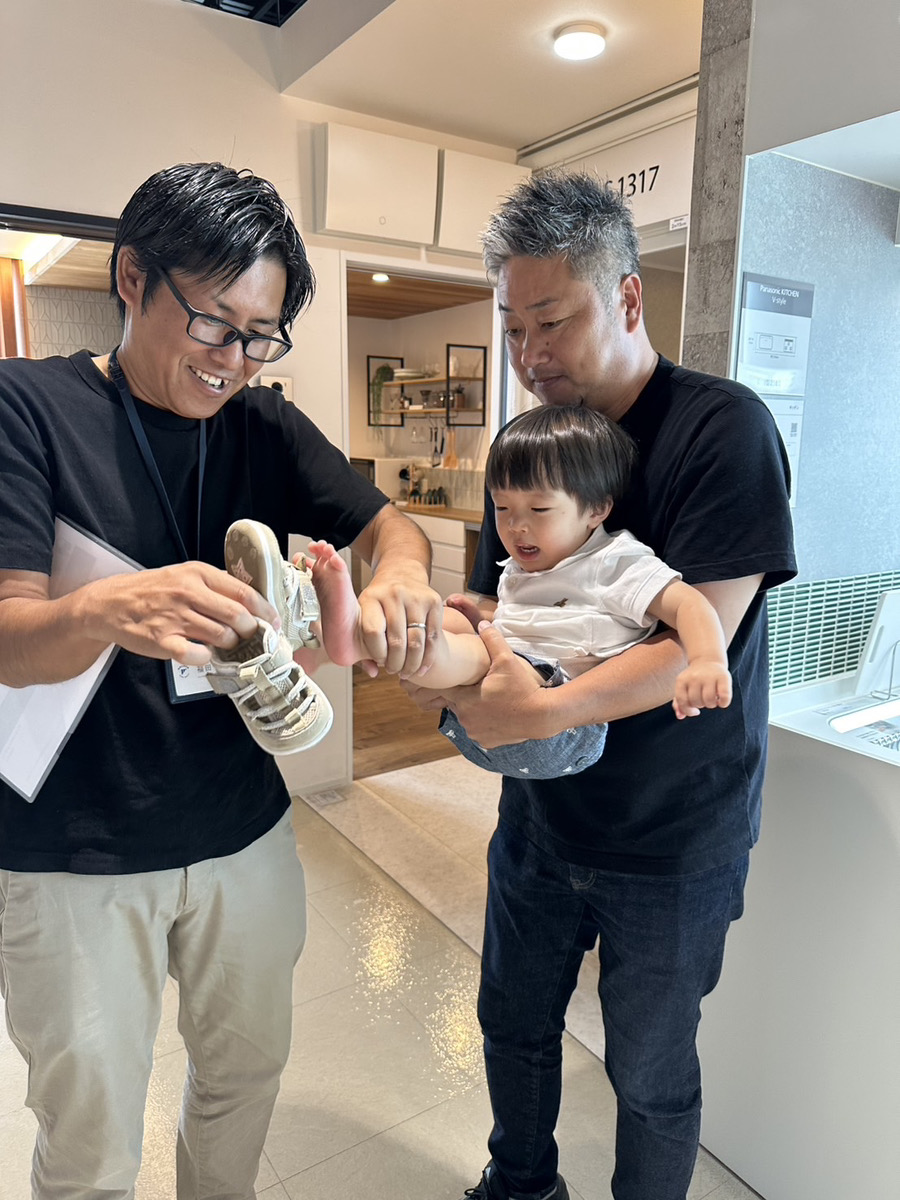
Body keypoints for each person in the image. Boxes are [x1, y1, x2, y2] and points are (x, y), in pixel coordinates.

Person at [0, 161, 442, 1200]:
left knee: (244, 1079)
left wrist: (401, 580)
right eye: (213, 323)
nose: (234, 360)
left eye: (260, 335)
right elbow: (10, 640)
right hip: (75, 850)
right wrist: (107, 610)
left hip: (243, 827)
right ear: (133, 279)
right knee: (91, 1140)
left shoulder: (265, 426)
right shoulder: (27, 408)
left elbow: (392, 528)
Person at [403, 169, 797, 1200]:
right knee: (512, 1024)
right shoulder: (529, 445)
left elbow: (697, 635)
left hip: (675, 836)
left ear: (626, 297)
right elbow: (501, 602)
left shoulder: (723, 430)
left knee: (651, 1073)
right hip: (540, 817)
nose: (530, 354)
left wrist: (542, 706)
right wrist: (445, 649)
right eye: (512, 328)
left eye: (552, 322)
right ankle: (519, 1184)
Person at [306, 403, 733, 780]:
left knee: (477, 653)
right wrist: (482, 622)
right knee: (448, 616)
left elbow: (690, 604)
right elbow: (520, 624)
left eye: (539, 509)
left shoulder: (614, 561)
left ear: (597, 509)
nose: (515, 526)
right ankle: (344, 639)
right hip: (500, 710)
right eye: (502, 507)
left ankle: (410, 645)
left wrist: (707, 660)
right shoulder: (524, 566)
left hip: (563, 723)